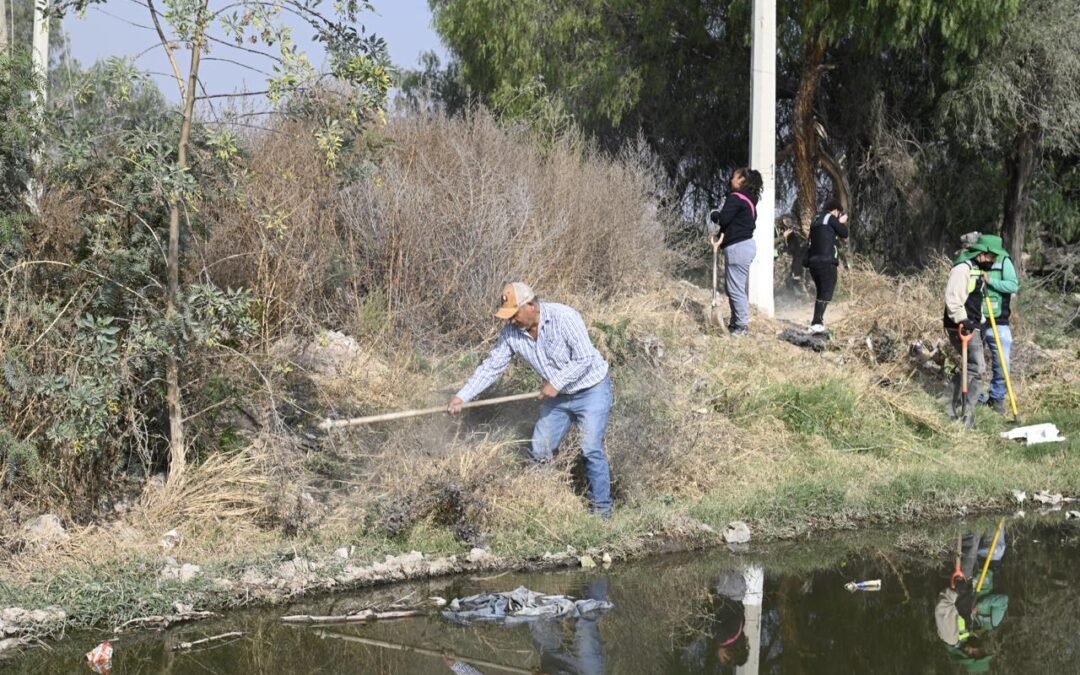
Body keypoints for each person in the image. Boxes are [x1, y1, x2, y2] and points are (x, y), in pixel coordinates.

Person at [447, 282, 614, 517]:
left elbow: (585, 358)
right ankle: (546, 505)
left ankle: (603, 513)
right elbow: (492, 367)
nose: (511, 321)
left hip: (592, 390)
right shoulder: (511, 334)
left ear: (531, 306)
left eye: (514, 314)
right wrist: (462, 396)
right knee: (539, 449)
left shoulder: (564, 316)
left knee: (590, 449)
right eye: (508, 316)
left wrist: (555, 383)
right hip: (559, 398)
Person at [943, 239, 1004, 428]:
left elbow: (975, 299)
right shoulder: (963, 269)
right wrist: (963, 320)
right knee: (977, 368)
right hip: (961, 325)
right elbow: (952, 299)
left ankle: (956, 408)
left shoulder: (978, 269)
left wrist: (982, 322)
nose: (992, 260)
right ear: (980, 252)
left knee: (973, 367)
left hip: (974, 324)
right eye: (991, 256)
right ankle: (958, 410)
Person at [710, 167, 763, 337]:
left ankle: (741, 326)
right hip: (745, 246)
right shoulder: (750, 202)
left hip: (738, 248)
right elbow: (734, 224)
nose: (730, 179)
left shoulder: (735, 198)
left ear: (741, 180)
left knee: (735, 288)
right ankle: (735, 323)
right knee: (733, 287)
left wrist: (715, 215)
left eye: (733, 177)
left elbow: (724, 219)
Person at [974, 234, 1020, 414]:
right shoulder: (973, 260)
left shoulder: (1004, 261)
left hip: (998, 319)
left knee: (1003, 362)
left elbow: (1013, 286)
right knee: (974, 361)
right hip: (976, 318)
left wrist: (991, 281)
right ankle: (975, 397)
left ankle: (997, 398)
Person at [804, 197, 849, 334]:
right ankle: (816, 323)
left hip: (813, 262)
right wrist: (841, 222)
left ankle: (818, 321)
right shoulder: (830, 217)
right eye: (839, 213)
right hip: (826, 262)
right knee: (827, 291)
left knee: (822, 291)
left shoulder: (816, 219)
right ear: (836, 211)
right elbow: (844, 233)